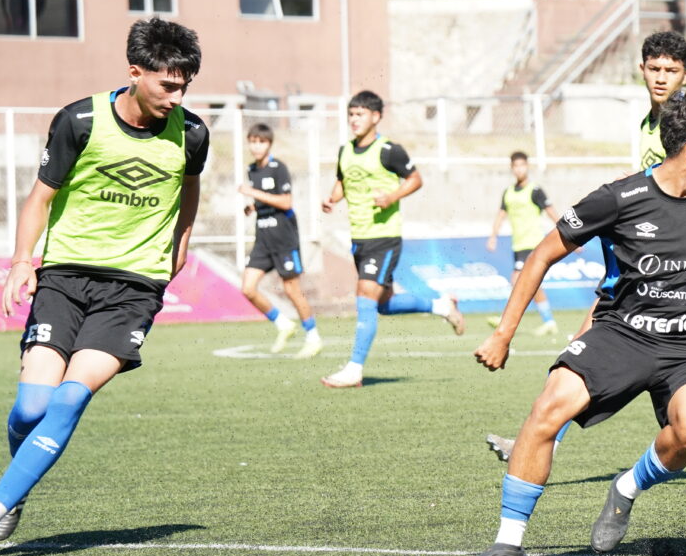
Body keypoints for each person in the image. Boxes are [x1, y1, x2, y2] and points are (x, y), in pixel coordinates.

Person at [460, 89, 686, 556]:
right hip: (623, 335)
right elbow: (542, 255)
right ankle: (509, 544)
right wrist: (503, 333)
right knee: (549, 407)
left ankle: (626, 489)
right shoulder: (619, 198)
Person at [484, 31, 686, 472]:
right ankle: (539, 434)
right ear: (641, 69)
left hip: (662, 264)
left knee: (595, 346)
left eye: (671, 70)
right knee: (587, 347)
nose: (661, 78)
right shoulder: (651, 123)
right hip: (628, 252)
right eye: (654, 68)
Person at [0, 17, 208, 541]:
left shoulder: (193, 133)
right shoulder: (80, 120)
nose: (177, 97)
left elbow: (189, 192)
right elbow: (40, 196)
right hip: (64, 279)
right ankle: (16, 488)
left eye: (185, 86)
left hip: (134, 287)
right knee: (31, 408)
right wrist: (22, 261)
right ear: (135, 72)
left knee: (69, 398)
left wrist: (180, 244)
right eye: (167, 84)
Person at [318, 90, 464, 389]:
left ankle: (354, 369)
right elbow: (344, 180)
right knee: (382, 303)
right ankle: (441, 306)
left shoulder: (389, 150)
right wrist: (332, 199)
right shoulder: (345, 150)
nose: (354, 119)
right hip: (358, 238)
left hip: (383, 238)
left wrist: (391, 196)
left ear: (376, 116)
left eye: (360, 114)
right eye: (351, 114)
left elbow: (415, 179)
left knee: (364, 297)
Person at [238, 123, 322, 357]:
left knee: (292, 289)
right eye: (253, 141)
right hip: (263, 238)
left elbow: (286, 202)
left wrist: (253, 194)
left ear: (269, 143)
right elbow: (266, 197)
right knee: (247, 288)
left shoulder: (279, 168)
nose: (256, 146)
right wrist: (252, 206)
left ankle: (313, 337)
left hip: (284, 238)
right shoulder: (252, 169)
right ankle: (283, 324)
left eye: (261, 141)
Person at [485, 151, 562, 337]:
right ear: (512, 168)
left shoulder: (535, 190)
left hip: (534, 243)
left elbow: (551, 211)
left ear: (527, 166)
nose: (519, 169)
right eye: (516, 166)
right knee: (531, 284)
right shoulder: (508, 193)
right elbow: (501, 215)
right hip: (518, 245)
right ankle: (549, 321)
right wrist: (493, 236)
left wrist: (568, 232)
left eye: (522, 165)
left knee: (517, 278)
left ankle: (507, 319)